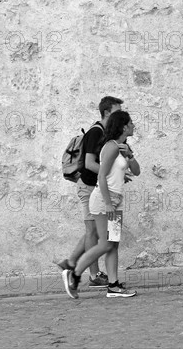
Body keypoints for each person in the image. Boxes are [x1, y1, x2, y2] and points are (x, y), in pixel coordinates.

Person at [63, 110, 140, 298]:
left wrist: (130, 155)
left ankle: (113, 286)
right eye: (130, 123)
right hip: (105, 200)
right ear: (123, 126)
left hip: (115, 200)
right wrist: (108, 203)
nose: (133, 126)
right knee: (106, 244)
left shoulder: (122, 147)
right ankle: (74, 273)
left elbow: (136, 171)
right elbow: (101, 177)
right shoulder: (112, 147)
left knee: (113, 245)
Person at [57, 96, 123, 287]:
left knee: (94, 232)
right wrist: (108, 171)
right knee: (94, 232)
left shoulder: (104, 133)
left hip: (95, 187)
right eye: (116, 112)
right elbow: (89, 164)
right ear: (106, 113)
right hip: (88, 187)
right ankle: (90, 274)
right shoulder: (96, 132)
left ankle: (70, 263)